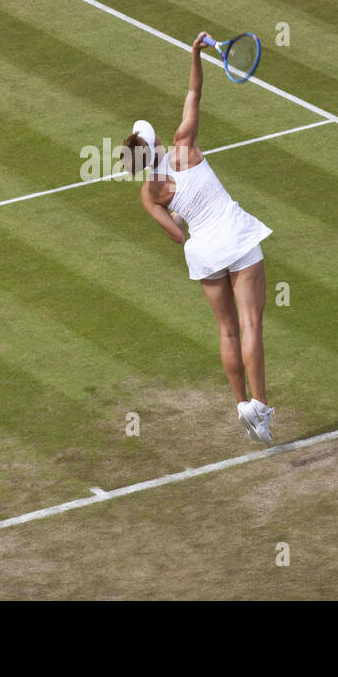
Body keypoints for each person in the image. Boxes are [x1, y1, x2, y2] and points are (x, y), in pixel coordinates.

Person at [121, 32, 276, 444]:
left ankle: (241, 402)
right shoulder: (184, 144)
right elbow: (195, 91)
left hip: (204, 251)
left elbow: (176, 235)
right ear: (155, 141)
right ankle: (259, 407)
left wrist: (176, 209)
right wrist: (195, 52)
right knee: (251, 323)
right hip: (236, 236)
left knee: (226, 330)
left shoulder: (148, 193)